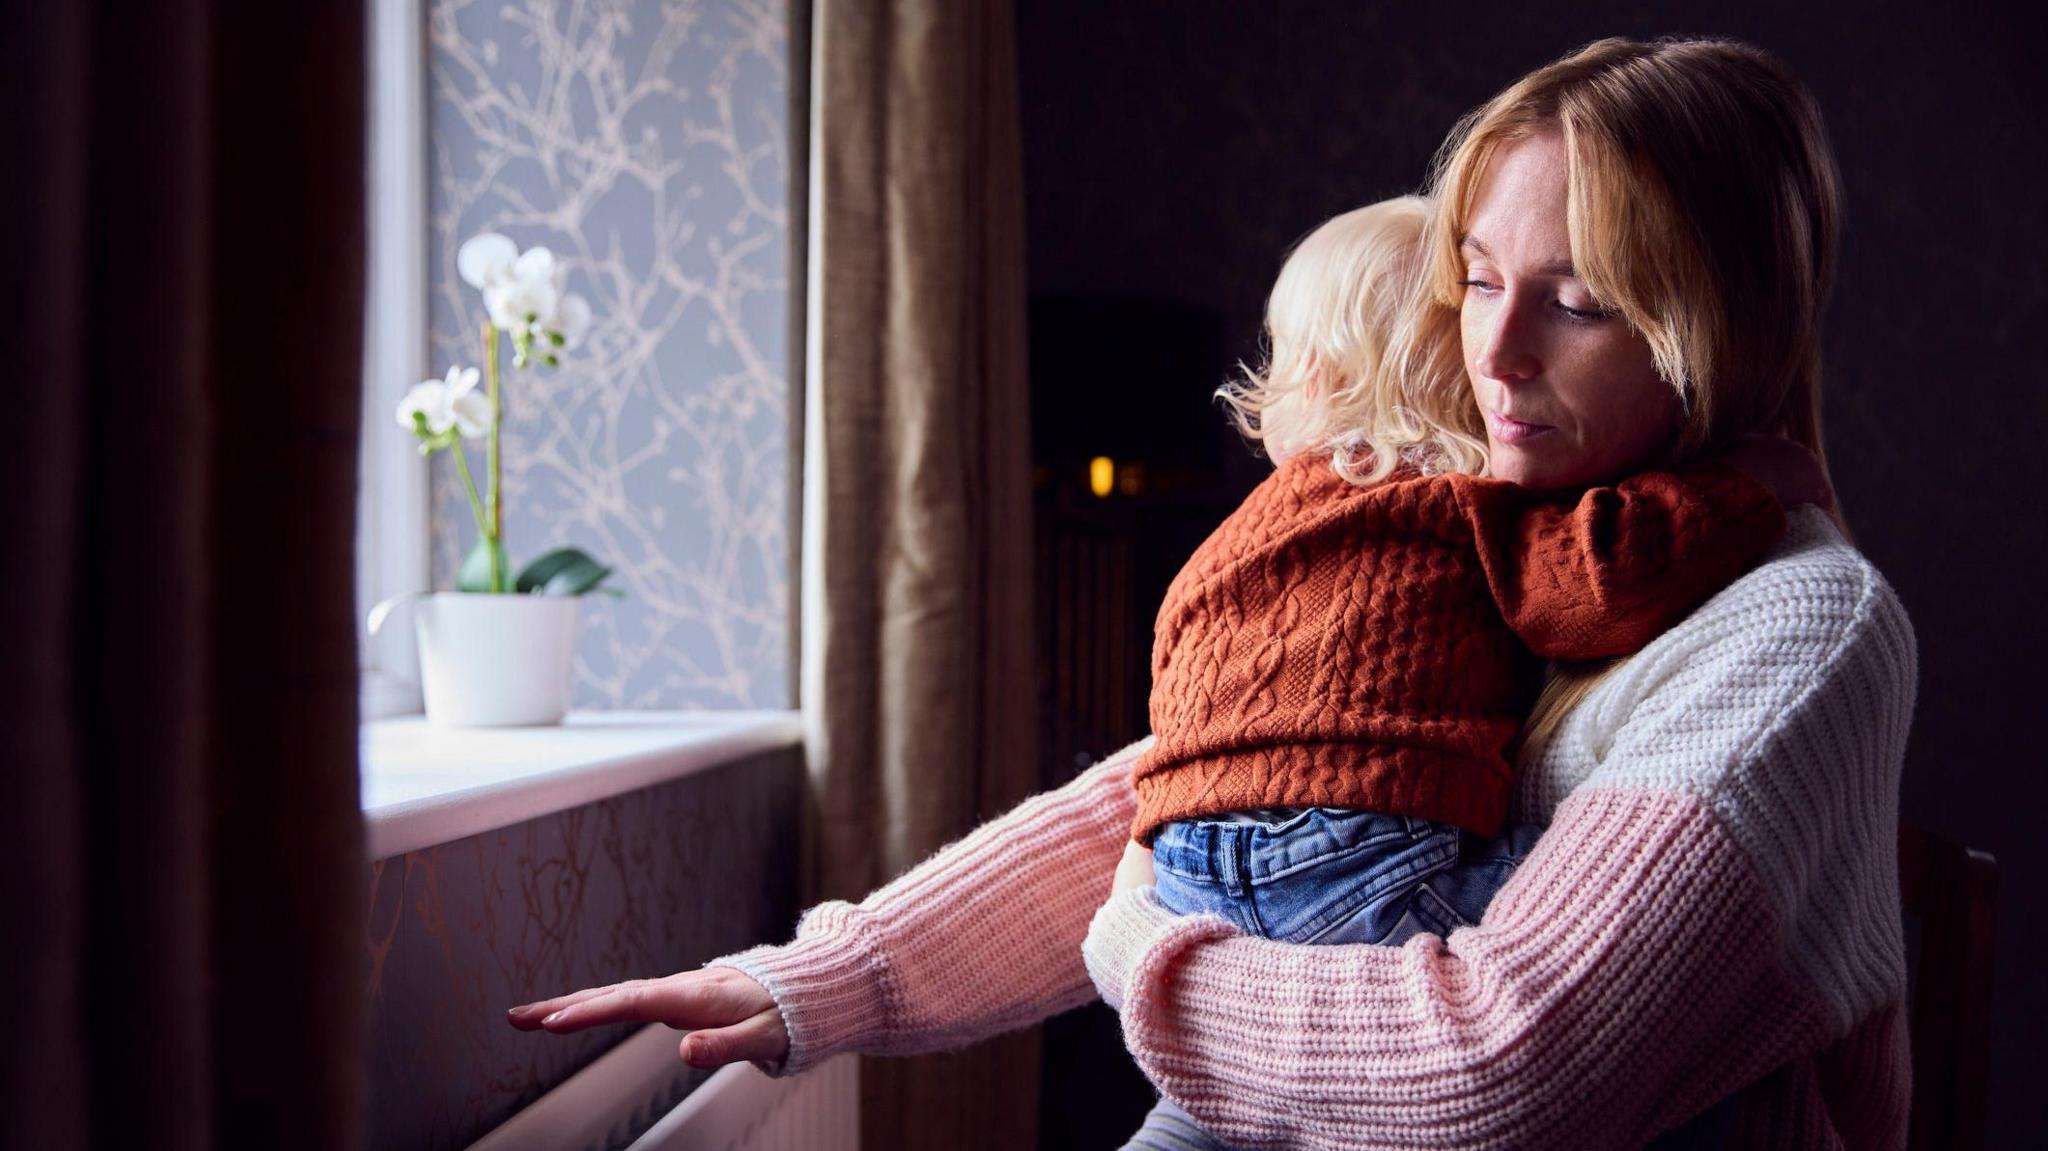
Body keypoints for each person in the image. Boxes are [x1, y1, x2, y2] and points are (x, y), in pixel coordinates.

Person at [509, 36, 1914, 1150]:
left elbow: (1498, 1069)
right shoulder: (1515, 536)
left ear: (1714, 324)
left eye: (1581, 300)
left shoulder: (1792, 626)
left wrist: (1143, 950)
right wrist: (809, 986)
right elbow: (1208, 788)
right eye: (1477, 279)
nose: (1493, 351)